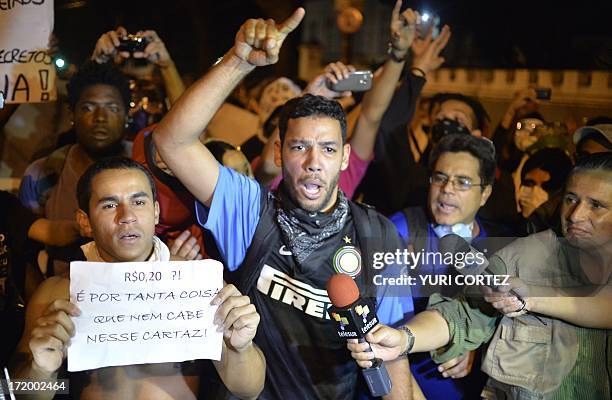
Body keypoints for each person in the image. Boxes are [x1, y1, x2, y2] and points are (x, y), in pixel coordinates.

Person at [153, 8, 414, 399]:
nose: (312, 163)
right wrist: (238, 61)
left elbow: (393, 355)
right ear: (279, 151)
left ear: (344, 158)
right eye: (298, 147)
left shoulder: (378, 234)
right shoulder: (248, 209)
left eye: (327, 149)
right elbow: (172, 141)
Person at [348, 152, 612, 399]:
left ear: (485, 193)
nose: (577, 215)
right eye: (570, 199)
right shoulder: (522, 256)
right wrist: (405, 339)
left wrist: (532, 299)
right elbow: (459, 315)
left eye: (597, 205)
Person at [10, 157, 265, 399]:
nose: (127, 216)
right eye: (109, 205)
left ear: (155, 212)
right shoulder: (57, 295)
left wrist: (241, 349)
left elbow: (249, 390)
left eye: (139, 202)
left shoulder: (198, 285)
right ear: (84, 221)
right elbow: (16, 393)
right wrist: (41, 369)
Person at [382, 134, 498, 399]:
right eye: (440, 177)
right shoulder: (400, 230)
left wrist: (474, 349)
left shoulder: (497, 249)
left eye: (463, 182)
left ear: (485, 193)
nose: (447, 189)